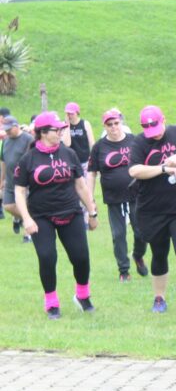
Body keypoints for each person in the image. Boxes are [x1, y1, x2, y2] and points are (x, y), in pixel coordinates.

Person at [14, 112, 99, 319]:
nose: (61, 132)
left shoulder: (68, 154)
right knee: (47, 257)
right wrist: (26, 218)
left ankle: (82, 295)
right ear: (43, 132)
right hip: (41, 216)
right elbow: (19, 191)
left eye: (62, 128)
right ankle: (51, 303)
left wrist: (92, 211)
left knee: (81, 257)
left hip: (71, 213)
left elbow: (80, 185)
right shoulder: (28, 159)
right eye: (57, 129)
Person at [129, 105, 176, 319]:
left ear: (164, 120)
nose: (155, 133)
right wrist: (164, 168)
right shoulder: (140, 142)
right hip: (153, 210)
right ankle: (159, 298)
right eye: (149, 129)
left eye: (158, 127)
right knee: (159, 253)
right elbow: (134, 170)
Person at [87, 109, 148, 281]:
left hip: (137, 194)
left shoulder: (134, 141)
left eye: (116, 123)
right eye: (109, 124)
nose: (113, 127)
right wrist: (90, 198)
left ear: (121, 122)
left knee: (141, 232)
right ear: (104, 126)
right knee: (118, 235)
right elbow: (91, 173)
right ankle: (124, 271)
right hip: (114, 198)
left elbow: (146, 165)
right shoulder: (99, 147)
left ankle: (138, 255)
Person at [1, 115, 34, 242]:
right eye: (6, 130)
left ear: (16, 126)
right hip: (9, 180)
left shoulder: (28, 139)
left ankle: (28, 235)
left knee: (25, 204)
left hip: (24, 181)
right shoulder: (6, 140)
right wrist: (1, 180)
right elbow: (3, 161)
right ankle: (28, 218)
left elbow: (31, 160)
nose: (7, 132)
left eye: (9, 129)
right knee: (8, 206)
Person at [65, 102, 95, 171]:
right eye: (68, 114)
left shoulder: (85, 124)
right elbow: (66, 144)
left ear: (77, 113)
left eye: (72, 114)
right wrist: (67, 125)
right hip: (71, 161)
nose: (70, 116)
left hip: (85, 161)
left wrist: (93, 158)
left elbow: (92, 143)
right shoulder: (65, 126)